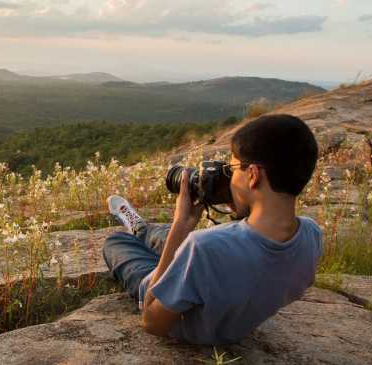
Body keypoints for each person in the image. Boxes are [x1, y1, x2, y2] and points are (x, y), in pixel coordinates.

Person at [102, 114, 323, 345]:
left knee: (117, 242)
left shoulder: (202, 247)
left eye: (234, 167)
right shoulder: (312, 234)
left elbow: (151, 321)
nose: (230, 177)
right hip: (224, 299)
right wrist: (240, 203)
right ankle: (144, 230)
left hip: (170, 299)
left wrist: (181, 226)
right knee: (162, 236)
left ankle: (137, 232)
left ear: (253, 175)